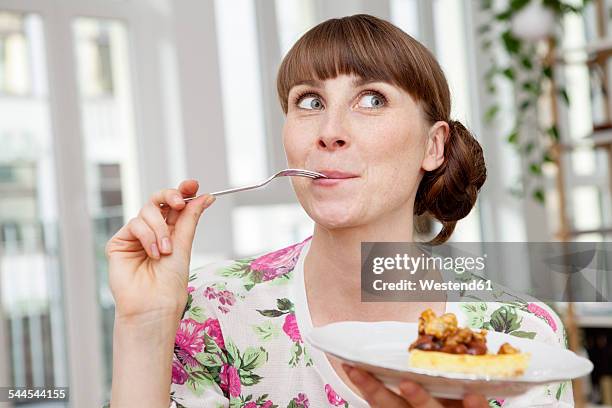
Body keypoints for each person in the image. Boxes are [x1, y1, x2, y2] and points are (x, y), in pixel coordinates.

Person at [106, 14, 573, 408]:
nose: (330, 131)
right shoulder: (212, 310)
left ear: (434, 145)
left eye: (372, 99)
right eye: (309, 102)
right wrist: (144, 323)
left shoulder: (524, 337)